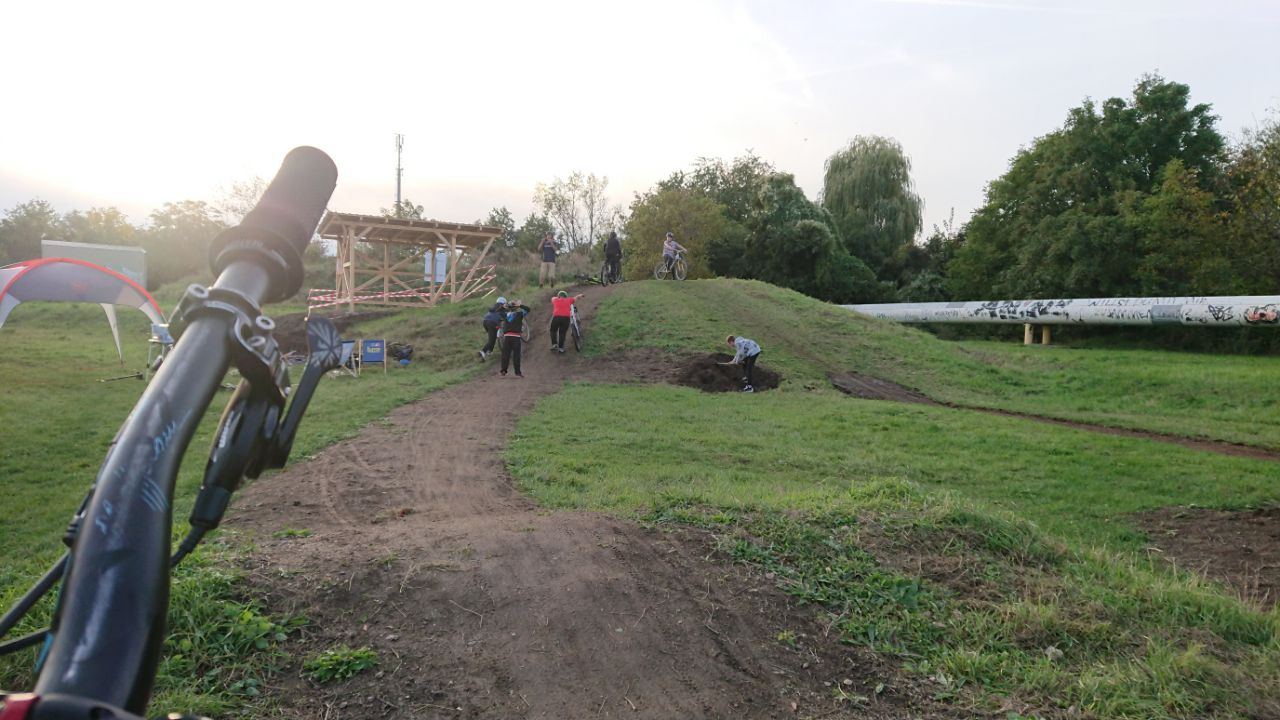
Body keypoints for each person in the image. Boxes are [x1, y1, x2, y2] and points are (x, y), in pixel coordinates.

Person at [499, 300, 529, 377]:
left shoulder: (505, 315)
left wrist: (503, 307)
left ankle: (503, 371)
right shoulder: (520, 314)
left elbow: (498, 311)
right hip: (516, 337)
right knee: (516, 355)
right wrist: (520, 305)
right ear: (516, 308)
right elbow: (528, 309)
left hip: (507, 337)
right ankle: (518, 372)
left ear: (508, 308)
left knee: (505, 355)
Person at [478, 295, 507, 360]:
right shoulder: (502, 308)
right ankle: (483, 351)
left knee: (492, 338)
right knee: (492, 339)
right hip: (492, 323)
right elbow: (507, 318)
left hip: (485, 322)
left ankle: (489, 351)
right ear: (503, 303)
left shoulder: (494, 307)